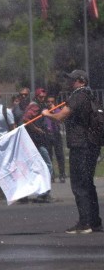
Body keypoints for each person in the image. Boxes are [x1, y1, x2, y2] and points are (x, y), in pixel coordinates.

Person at [42, 70, 103, 234]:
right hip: (91, 145)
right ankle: (94, 221)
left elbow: (61, 116)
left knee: (79, 185)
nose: (70, 83)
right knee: (88, 183)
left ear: (81, 81)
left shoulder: (78, 95)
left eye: (73, 80)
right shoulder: (90, 96)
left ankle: (85, 223)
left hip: (80, 145)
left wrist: (47, 114)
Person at [23, 88, 54, 203]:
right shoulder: (34, 106)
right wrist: (36, 129)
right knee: (47, 165)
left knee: (39, 166)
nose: (42, 98)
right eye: (40, 97)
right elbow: (26, 119)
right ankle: (43, 192)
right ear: (36, 97)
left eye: (43, 97)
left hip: (39, 140)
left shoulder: (41, 106)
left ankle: (42, 192)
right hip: (36, 141)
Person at [45, 95, 66, 183]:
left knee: (59, 155)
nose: (50, 103)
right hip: (47, 134)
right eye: (48, 102)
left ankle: (62, 174)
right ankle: (51, 175)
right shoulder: (45, 111)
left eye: (52, 102)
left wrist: (53, 112)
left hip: (56, 134)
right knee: (49, 156)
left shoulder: (58, 111)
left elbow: (60, 121)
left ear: (55, 103)